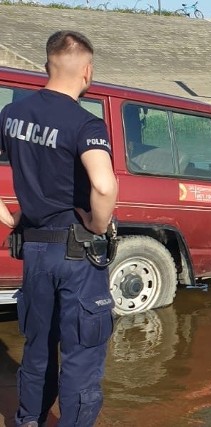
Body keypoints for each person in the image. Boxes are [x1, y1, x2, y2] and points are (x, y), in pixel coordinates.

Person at [0, 30, 118, 426]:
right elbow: (103, 184)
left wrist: (10, 214)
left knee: (37, 350)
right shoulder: (86, 124)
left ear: (47, 64)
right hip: (77, 252)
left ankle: (28, 421)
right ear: (88, 71)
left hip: (34, 250)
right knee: (81, 356)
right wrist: (97, 224)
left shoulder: (11, 115)